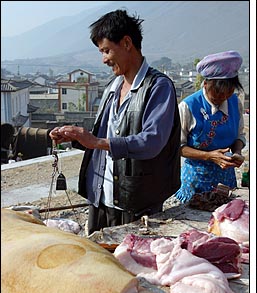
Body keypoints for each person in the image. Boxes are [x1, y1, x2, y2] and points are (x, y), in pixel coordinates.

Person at [49, 9, 181, 235]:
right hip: (101, 197)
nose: (104, 59)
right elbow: (101, 138)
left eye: (107, 50)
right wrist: (75, 138)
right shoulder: (113, 87)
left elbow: (152, 141)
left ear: (127, 43)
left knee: (131, 265)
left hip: (136, 201)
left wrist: (97, 142)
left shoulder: (158, 87)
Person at [175, 50, 247, 203]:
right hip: (196, 182)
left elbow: (239, 136)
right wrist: (209, 156)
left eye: (227, 94)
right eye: (217, 94)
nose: (222, 99)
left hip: (225, 181)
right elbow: (178, 147)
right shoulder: (188, 107)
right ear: (206, 84)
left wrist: (237, 152)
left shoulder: (235, 103)